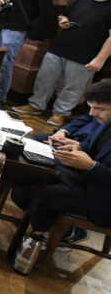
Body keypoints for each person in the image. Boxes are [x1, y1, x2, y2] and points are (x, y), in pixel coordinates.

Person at [12, 79, 111, 245]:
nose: (92, 114)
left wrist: (92, 166)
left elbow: (97, 165)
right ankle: (48, 229)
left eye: (99, 109)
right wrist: (77, 147)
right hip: (83, 177)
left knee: (26, 194)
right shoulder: (105, 120)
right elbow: (94, 146)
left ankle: (55, 233)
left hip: (101, 197)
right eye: (91, 107)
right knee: (23, 174)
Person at [14, 0, 111, 127]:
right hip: (59, 47)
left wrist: (100, 59)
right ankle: (36, 105)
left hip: (85, 55)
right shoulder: (81, 1)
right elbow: (64, 15)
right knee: (45, 78)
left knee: (73, 87)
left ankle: (61, 113)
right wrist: (63, 20)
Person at [0, 0, 54, 109]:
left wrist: (34, 33)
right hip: (4, 24)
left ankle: (0, 98)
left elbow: (44, 13)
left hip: (18, 30)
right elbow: (15, 2)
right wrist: (3, 0)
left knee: (6, 64)